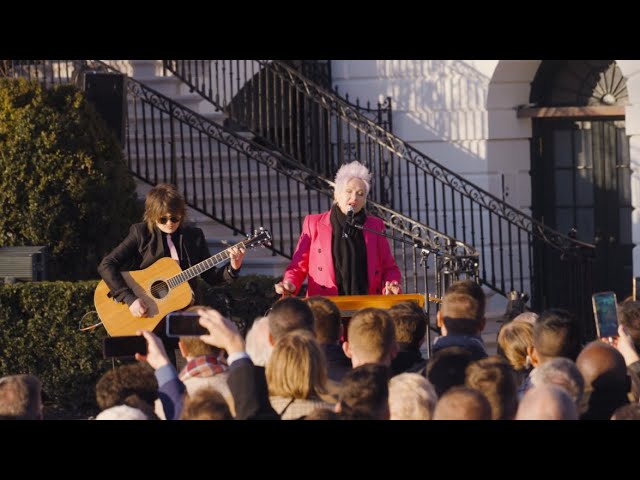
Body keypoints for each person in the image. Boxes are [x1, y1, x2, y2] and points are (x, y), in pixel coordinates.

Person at [98, 183, 245, 361]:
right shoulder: (141, 233)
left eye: (175, 219)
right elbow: (107, 265)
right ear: (152, 216)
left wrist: (233, 267)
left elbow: (212, 278)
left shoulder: (194, 236)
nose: (170, 224)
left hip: (186, 319)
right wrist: (130, 299)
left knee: (193, 374)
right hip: (152, 317)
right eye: (163, 219)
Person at [274, 161, 401, 297]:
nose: (354, 197)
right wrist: (290, 283)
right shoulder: (314, 223)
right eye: (349, 191)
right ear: (336, 194)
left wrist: (391, 284)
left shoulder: (375, 226)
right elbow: (298, 266)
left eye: (360, 193)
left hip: (366, 308)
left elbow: (389, 268)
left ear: (364, 200)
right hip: (325, 306)